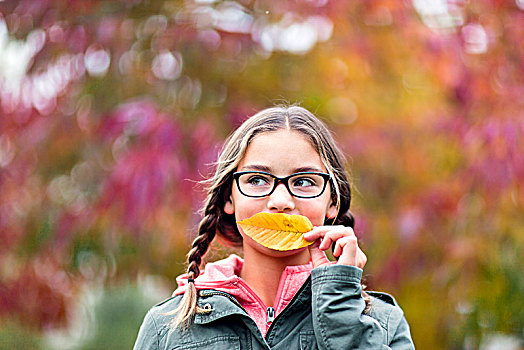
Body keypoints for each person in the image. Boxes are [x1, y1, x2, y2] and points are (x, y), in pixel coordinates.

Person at [134, 106, 415, 349]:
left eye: (304, 181)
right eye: (257, 179)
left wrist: (342, 314)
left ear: (333, 201)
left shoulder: (381, 322)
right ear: (229, 196)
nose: (280, 201)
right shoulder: (169, 327)